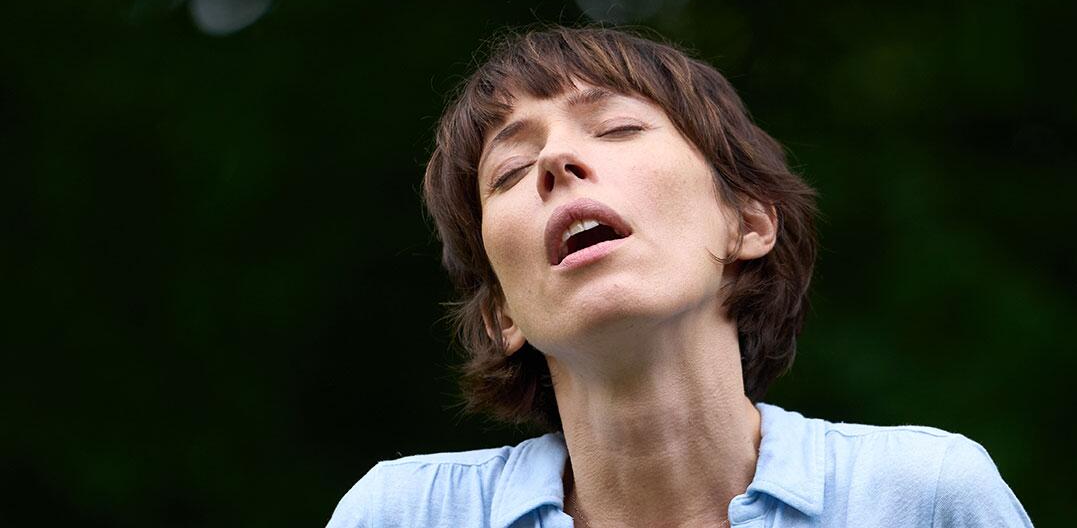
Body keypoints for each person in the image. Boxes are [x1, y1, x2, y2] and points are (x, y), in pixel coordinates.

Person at [327, 26, 1033, 527]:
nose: (556, 163)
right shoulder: (401, 516)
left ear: (747, 224)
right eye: (510, 172)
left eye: (616, 130)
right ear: (501, 316)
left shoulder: (924, 499)